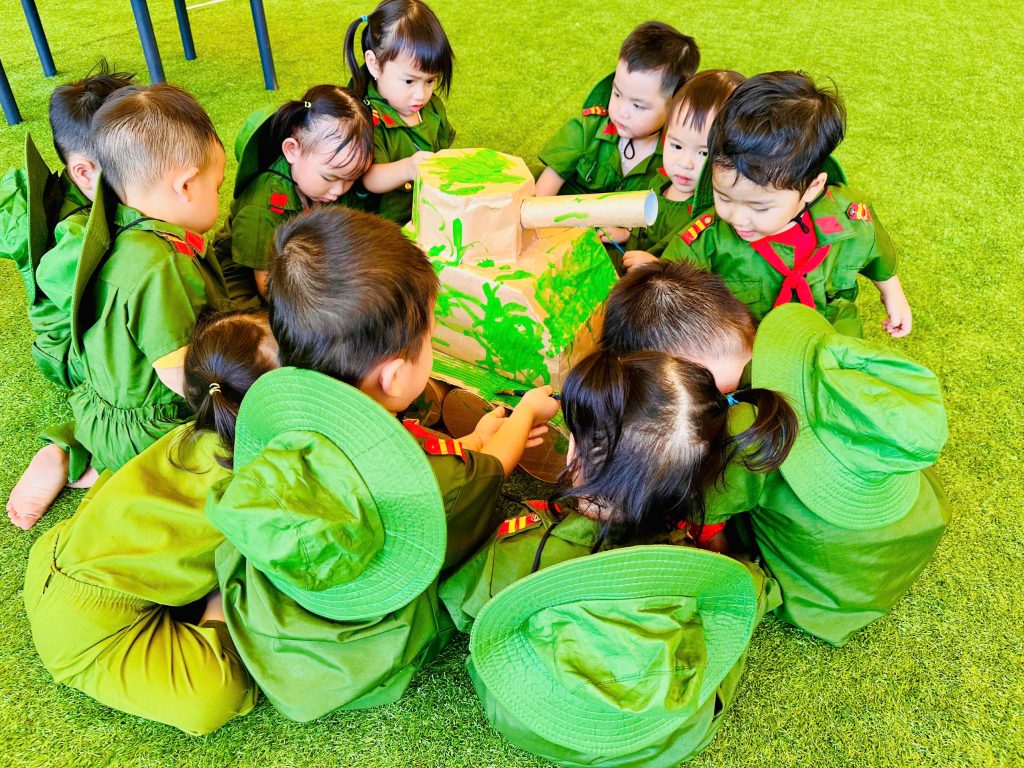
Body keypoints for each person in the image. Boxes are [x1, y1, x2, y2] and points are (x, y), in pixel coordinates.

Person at [207, 206, 558, 721]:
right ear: (393, 376)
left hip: (276, 596)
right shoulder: (437, 484)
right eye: (429, 341)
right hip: (357, 644)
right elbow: (489, 473)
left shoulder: (287, 412)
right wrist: (524, 414)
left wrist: (473, 437)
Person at [601, 260, 951, 645]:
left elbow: (710, 522)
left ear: (670, 376)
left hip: (841, 591)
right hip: (918, 517)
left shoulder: (739, 426)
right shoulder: (807, 346)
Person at [23, 308, 277, 734]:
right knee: (216, 694)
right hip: (89, 634)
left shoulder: (190, 433)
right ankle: (217, 597)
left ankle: (68, 455)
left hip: (61, 555)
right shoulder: (261, 475)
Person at [440, 347, 791, 631]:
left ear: (575, 454)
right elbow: (750, 591)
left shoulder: (519, 548)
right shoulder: (692, 566)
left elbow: (459, 599)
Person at [7, 83, 230, 530]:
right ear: (186, 185)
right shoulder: (163, 265)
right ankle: (113, 471)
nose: (218, 195)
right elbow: (183, 379)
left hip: (98, 407)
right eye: (217, 186)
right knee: (226, 467)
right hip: (147, 432)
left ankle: (78, 452)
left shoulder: (114, 227)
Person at [663, 71, 911, 338]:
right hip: (749, 344)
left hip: (831, 332)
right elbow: (666, 287)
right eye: (723, 197)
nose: (737, 218)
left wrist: (892, 293)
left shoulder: (848, 217)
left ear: (812, 187)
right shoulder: (707, 239)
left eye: (760, 208)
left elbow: (874, 251)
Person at [534, 21, 699, 241]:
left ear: (674, 105)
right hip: (557, 226)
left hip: (611, 242)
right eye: (617, 94)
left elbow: (663, 216)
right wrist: (540, 233)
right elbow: (543, 192)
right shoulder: (587, 129)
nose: (622, 111)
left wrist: (627, 233)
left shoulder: (675, 158)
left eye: (638, 106)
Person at [211, 84, 374, 302]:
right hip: (248, 282)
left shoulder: (322, 179)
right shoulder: (262, 206)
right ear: (292, 150)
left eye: (351, 179)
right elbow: (266, 285)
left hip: (301, 268)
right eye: (329, 178)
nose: (338, 191)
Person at [31, 61, 136, 389]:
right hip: (71, 352)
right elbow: (111, 313)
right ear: (85, 172)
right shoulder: (74, 235)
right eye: (132, 159)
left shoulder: (94, 194)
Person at [344, 0, 456, 224]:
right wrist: (408, 168)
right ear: (375, 64)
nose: (421, 95)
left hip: (428, 215)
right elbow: (369, 178)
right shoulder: (365, 116)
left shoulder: (432, 108)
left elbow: (443, 153)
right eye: (409, 81)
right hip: (384, 227)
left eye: (430, 81)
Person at [622, 69, 744, 268]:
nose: (685, 163)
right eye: (676, 146)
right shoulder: (659, 182)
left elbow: (703, 275)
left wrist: (658, 267)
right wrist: (628, 233)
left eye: (703, 153)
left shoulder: (713, 215)